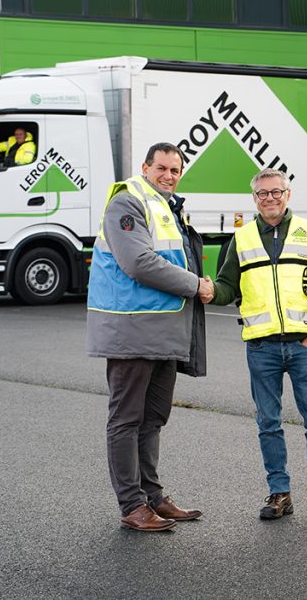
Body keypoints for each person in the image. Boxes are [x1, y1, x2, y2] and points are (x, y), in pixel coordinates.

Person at [86, 142, 212, 532]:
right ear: (145, 167)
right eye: (162, 168)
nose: (169, 176)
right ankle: (132, 505)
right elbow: (138, 262)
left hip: (162, 331)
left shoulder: (167, 207)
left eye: (175, 170)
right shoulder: (128, 202)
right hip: (131, 328)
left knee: (153, 418)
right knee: (126, 418)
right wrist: (196, 285)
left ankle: (153, 497)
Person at [211, 168, 307, 523]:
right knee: (268, 423)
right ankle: (280, 493)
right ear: (254, 199)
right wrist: (208, 291)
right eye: (262, 194)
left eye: (276, 192)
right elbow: (227, 287)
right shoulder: (241, 239)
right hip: (261, 348)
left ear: (288, 195)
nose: (269, 198)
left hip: (304, 347)